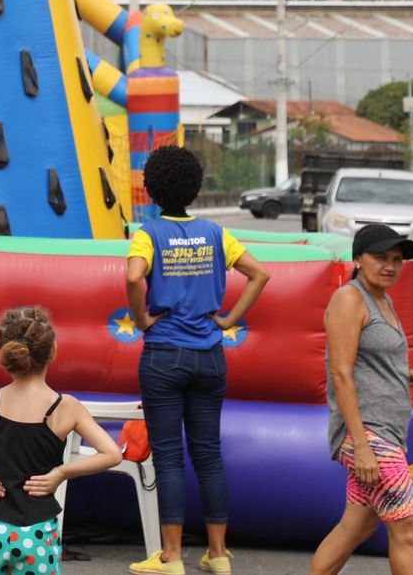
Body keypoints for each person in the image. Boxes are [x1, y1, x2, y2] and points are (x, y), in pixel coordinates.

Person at [125, 144, 270, 575]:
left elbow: (134, 276)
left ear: (149, 187)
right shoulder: (215, 233)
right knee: (209, 455)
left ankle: (171, 558)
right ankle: (218, 554)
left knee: (168, 457)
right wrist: (228, 320)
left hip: (164, 354)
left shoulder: (148, 233)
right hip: (210, 356)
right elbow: (260, 273)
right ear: (195, 187)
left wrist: (142, 318)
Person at [0, 306, 122, 575]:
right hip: (38, 531)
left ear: (4, 351)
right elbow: (112, 454)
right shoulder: (66, 407)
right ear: (53, 351)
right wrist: (61, 472)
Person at [307, 224, 413, 575]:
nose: (390, 266)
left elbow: (373, 366)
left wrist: (412, 376)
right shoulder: (349, 299)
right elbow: (341, 374)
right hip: (371, 437)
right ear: (357, 258)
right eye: (380, 257)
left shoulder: (382, 300)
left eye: (397, 260)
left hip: (384, 433)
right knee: (408, 531)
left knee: (358, 526)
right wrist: (362, 445)